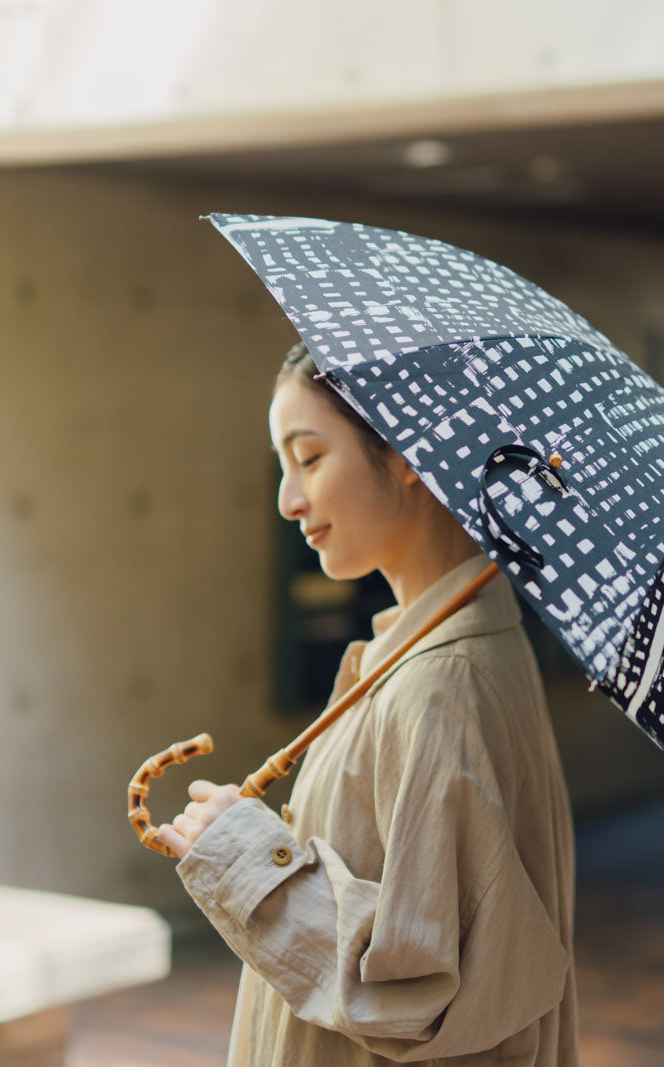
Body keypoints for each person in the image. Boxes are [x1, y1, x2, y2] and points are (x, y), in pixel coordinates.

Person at [156, 341, 579, 1065]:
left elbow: (419, 987)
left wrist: (248, 861)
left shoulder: (440, 685)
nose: (289, 499)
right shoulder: (444, 654)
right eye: (285, 466)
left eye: (310, 458)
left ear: (409, 448)